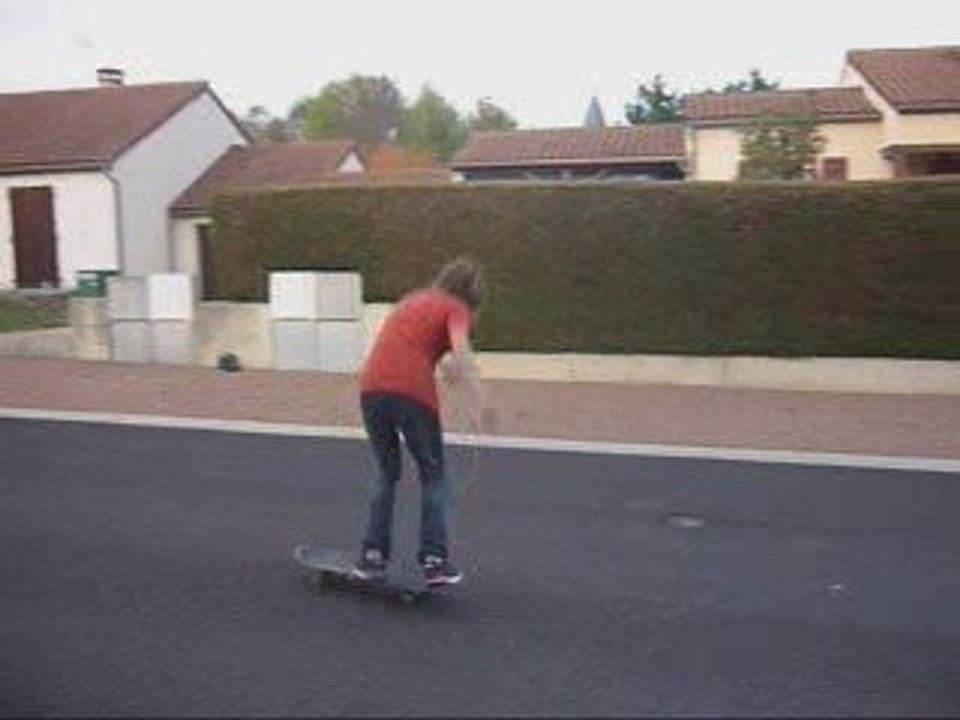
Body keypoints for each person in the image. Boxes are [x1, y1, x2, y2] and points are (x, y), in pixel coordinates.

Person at [351, 257, 484, 586]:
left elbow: (412, 345)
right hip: (412, 393)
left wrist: (448, 368)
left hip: (371, 388)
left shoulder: (412, 299)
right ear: (471, 292)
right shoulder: (456, 308)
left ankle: (372, 557)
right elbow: (461, 354)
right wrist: (478, 405)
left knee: (387, 474)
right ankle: (434, 560)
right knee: (433, 476)